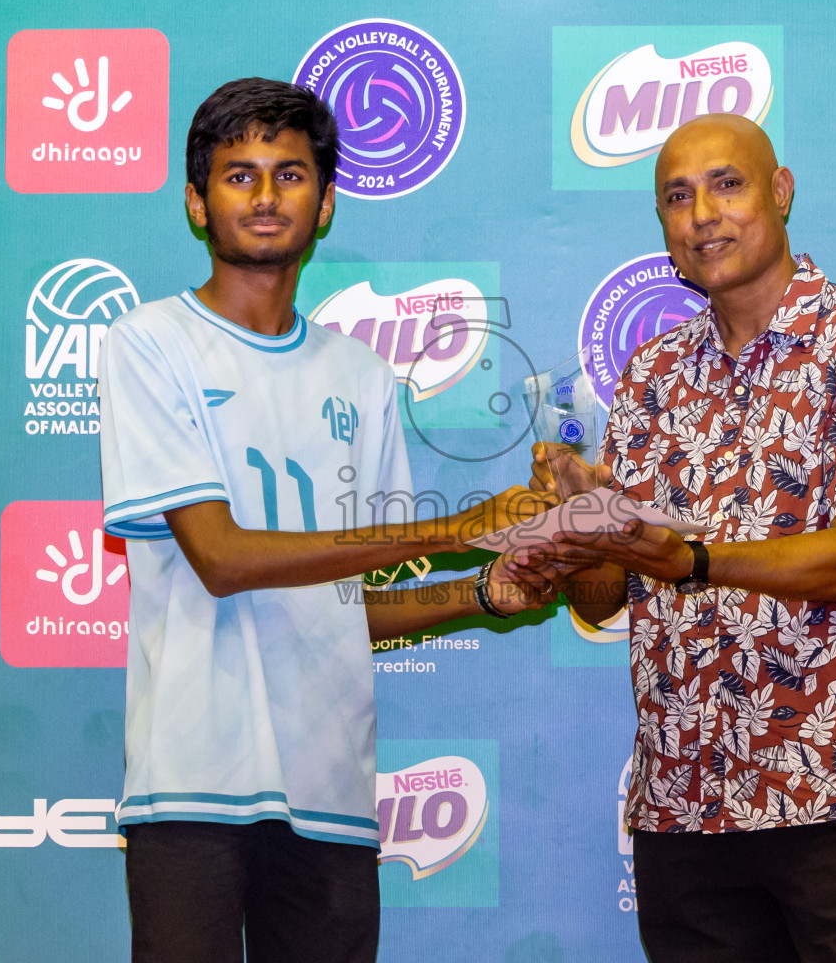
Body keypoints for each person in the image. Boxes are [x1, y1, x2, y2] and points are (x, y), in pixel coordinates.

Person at [98, 78, 560, 963]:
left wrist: (486, 593)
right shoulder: (149, 342)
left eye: (290, 174)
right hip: (191, 785)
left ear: (328, 202)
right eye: (239, 175)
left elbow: (347, 605)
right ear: (197, 203)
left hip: (331, 794)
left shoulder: (361, 375)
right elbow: (223, 558)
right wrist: (456, 527)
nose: (266, 196)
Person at [533, 113, 836, 963]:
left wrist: (689, 559)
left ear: (781, 191)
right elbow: (604, 599)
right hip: (686, 799)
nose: (702, 217)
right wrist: (586, 530)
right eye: (676, 199)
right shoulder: (652, 377)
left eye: (727, 185)